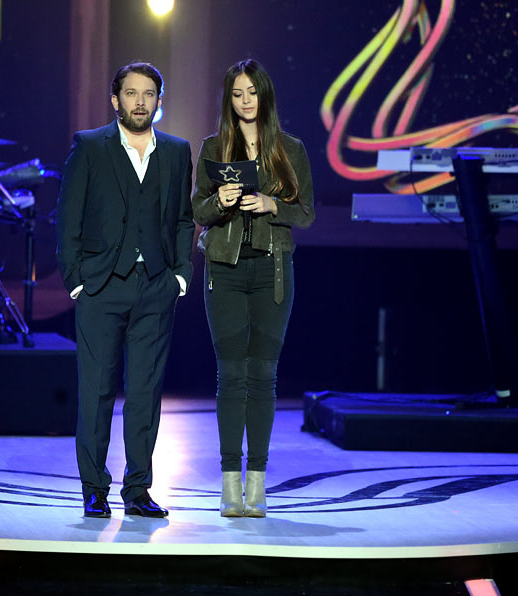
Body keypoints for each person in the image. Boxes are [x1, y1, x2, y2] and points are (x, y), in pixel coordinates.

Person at [56, 62, 194, 518]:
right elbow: (68, 218)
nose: (140, 101)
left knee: (145, 393)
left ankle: (138, 489)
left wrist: (179, 275)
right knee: (95, 391)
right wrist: (76, 281)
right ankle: (94, 488)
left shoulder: (176, 151)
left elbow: (181, 219)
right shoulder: (90, 146)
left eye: (148, 93)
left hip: (155, 287)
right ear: (115, 100)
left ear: (159, 101)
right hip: (100, 287)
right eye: (131, 93)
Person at [191, 59, 315, 517]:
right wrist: (217, 201)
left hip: (272, 271)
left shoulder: (290, 149)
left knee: (263, 375)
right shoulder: (213, 147)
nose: (245, 101)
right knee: (230, 375)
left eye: (252, 92)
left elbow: (305, 213)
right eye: (237, 93)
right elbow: (198, 212)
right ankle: (229, 485)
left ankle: (257, 484)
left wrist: (271, 204)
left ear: (265, 96)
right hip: (222, 269)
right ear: (229, 99)